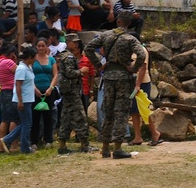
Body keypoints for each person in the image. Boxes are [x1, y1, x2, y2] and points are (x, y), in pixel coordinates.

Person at [85, 10, 147, 159]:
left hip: (108, 77)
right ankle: (118, 147)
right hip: (124, 79)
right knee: (121, 113)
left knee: (108, 112)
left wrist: (99, 64)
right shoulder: (130, 39)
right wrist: (133, 68)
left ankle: (105, 147)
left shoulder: (106, 35)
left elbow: (88, 48)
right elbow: (142, 54)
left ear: (118, 21)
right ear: (129, 23)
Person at [54, 37, 94, 154]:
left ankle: (62, 145)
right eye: (73, 42)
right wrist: (81, 71)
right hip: (72, 92)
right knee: (80, 117)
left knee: (66, 118)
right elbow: (69, 73)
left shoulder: (64, 55)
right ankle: (85, 145)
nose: (76, 44)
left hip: (68, 92)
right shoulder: (69, 57)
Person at [0, 46, 36, 154]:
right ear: (29, 57)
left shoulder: (28, 67)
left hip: (28, 99)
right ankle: (24, 147)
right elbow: (18, 85)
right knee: (27, 124)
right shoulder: (21, 68)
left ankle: (7, 139)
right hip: (22, 100)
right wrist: (20, 101)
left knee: (25, 123)